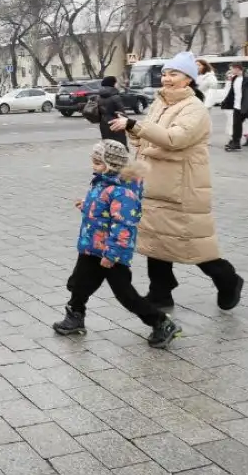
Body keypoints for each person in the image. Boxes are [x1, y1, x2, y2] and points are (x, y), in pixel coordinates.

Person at [109, 51, 245, 312]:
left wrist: (136, 127)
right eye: (165, 74)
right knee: (156, 241)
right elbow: (148, 136)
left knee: (192, 242)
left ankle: (228, 280)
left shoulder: (194, 109)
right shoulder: (160, 103)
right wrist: (132, 131)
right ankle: (160, 294)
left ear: (189, 80)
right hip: (156, 182)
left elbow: (175, 139)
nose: (167, 79)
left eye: (174, 74)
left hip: (182, 186)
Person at [53, 140, 182, 348]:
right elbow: (102, 211)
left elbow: (123, 225)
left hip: (111, 253)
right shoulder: (102, 182)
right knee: (79, 284)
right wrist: (86, 206)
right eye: (93, 161)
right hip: (91, 247)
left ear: (111, 164)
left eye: (97, 162)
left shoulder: (123, 192)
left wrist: (112, 254)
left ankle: (161, 322)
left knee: (125, 294)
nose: (93, 165)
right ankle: (75, 316)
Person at [95, 76, 128, 146]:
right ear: (112, 84)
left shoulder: (99, 97)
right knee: (120, 145)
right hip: (116, 124)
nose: (117, 84)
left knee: (108, 145)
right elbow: (122, 113)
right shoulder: (115, 97)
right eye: (116, 82)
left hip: (103, 124)